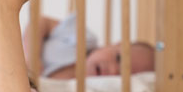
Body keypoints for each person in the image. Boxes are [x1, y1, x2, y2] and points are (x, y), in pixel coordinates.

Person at [23, 13, 155, 79]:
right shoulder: (84, 38)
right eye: (119, 59)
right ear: (114, 44)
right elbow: (39, 22)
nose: (114, 70)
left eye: (121, 76)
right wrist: (31, 56)